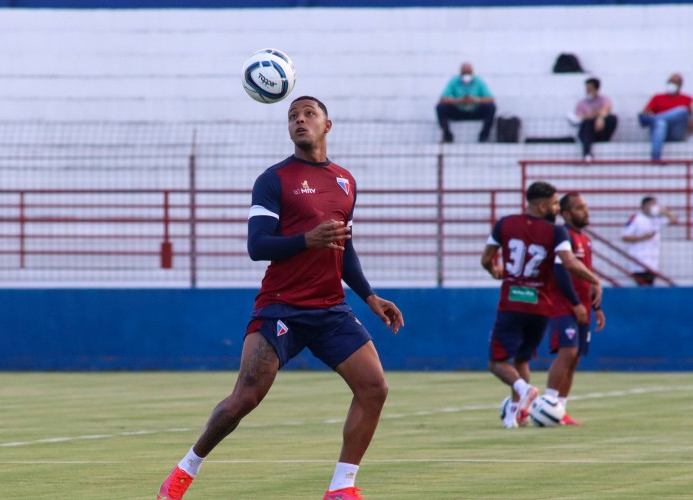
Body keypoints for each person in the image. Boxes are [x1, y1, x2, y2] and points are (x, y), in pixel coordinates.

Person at [156, 96, 404, 500]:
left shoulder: (345, 181)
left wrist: (370, 296)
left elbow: (346, 248)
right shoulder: (274, 179)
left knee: (374, 387)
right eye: (293, 116)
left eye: (309, 114)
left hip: (330, 309)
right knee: (245, 397)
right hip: (281, 306)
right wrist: (307, 240)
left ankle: (341, 487)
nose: (300, 120)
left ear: (328, 125)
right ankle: (185, 470)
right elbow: (257, 246)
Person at [480, 181, 602, 429]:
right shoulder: (556, 232)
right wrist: (595, 278)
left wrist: (494, 270)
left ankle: (523, 390)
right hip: (540, 307)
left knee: (496, 362)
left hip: (511, 303)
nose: (557, 208)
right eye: (556, 203)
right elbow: (568, 263)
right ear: (543, 204)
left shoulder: (505, 223)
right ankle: (516, 413)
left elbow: (486, 258)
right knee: (522, 360)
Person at [544, 193, 606, 426]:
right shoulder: (563, 237)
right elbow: (561, 272)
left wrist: (596, 307)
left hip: (584, 307)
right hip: (564, 305)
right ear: (566, 214)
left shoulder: (585, 240)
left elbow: (587, 277)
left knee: (575, 358)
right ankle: (547, 404)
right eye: (580, 208)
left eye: (586, 207)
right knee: (567, 352)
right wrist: (575, 304)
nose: (586, 211)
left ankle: (560, 410)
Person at [621, 196, 679, 286]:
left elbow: (674, 221)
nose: (655, 207)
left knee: (649, 287)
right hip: (638, 262)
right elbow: (624, 237)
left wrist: (666, 212)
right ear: (644, 206)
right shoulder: (636, 218)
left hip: (652, 262)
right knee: (643, 287)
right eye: (652, 204)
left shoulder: (656, 218)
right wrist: (642, 237)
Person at [436, 62, 496, 143]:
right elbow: (442, 98)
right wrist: (458, 101)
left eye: (468, 73)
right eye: (464, 73)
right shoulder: (454, 81)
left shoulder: (479, 82)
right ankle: (447, 135)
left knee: (490, 107)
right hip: (458, 111)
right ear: (460, 73)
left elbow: (490, 99)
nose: (466, 75)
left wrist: (475, 100)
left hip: (475, 111)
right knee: (441, 107)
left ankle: (484, 136)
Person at [638, 73, 693, 161]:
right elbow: (646, 112)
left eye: (675, 82)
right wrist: (649, 114)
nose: (672, 84)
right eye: (670, 81)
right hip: (659, 132)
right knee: (661, 123)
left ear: (680, 85)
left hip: (677, 132)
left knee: (682, 110)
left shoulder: (687, 99)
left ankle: (656, 118)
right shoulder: (657, 97)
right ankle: (655, 157)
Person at [569, 77, 617, 161]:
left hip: (601, 130)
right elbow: (580, 117)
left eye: (590, 88)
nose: (588, 91)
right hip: (588, 132)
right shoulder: (581, 103)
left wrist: (600, 118)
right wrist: (591, 117)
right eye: (586, 88)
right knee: (588, 123)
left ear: (596, 89)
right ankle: (587, 153)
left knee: (612, 118)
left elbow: (607, 109)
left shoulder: (604, 99)